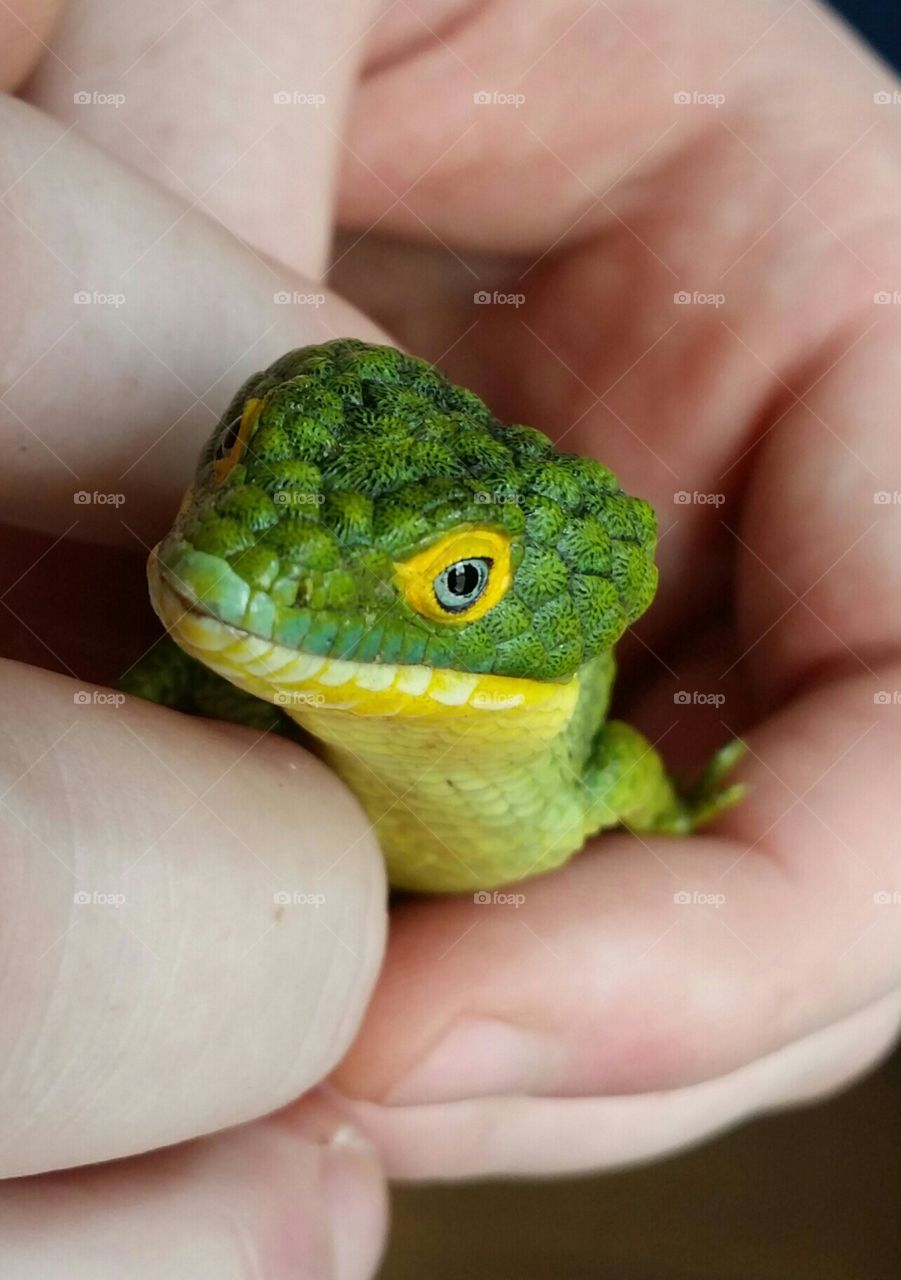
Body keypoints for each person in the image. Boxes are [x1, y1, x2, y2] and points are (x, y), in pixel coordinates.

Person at [3, 0, 901, 1273]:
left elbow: (632, 782)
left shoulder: (576, 776)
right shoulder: (234, 663)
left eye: (463, 581)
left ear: (541, 630)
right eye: (239, 451)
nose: (218, 559)